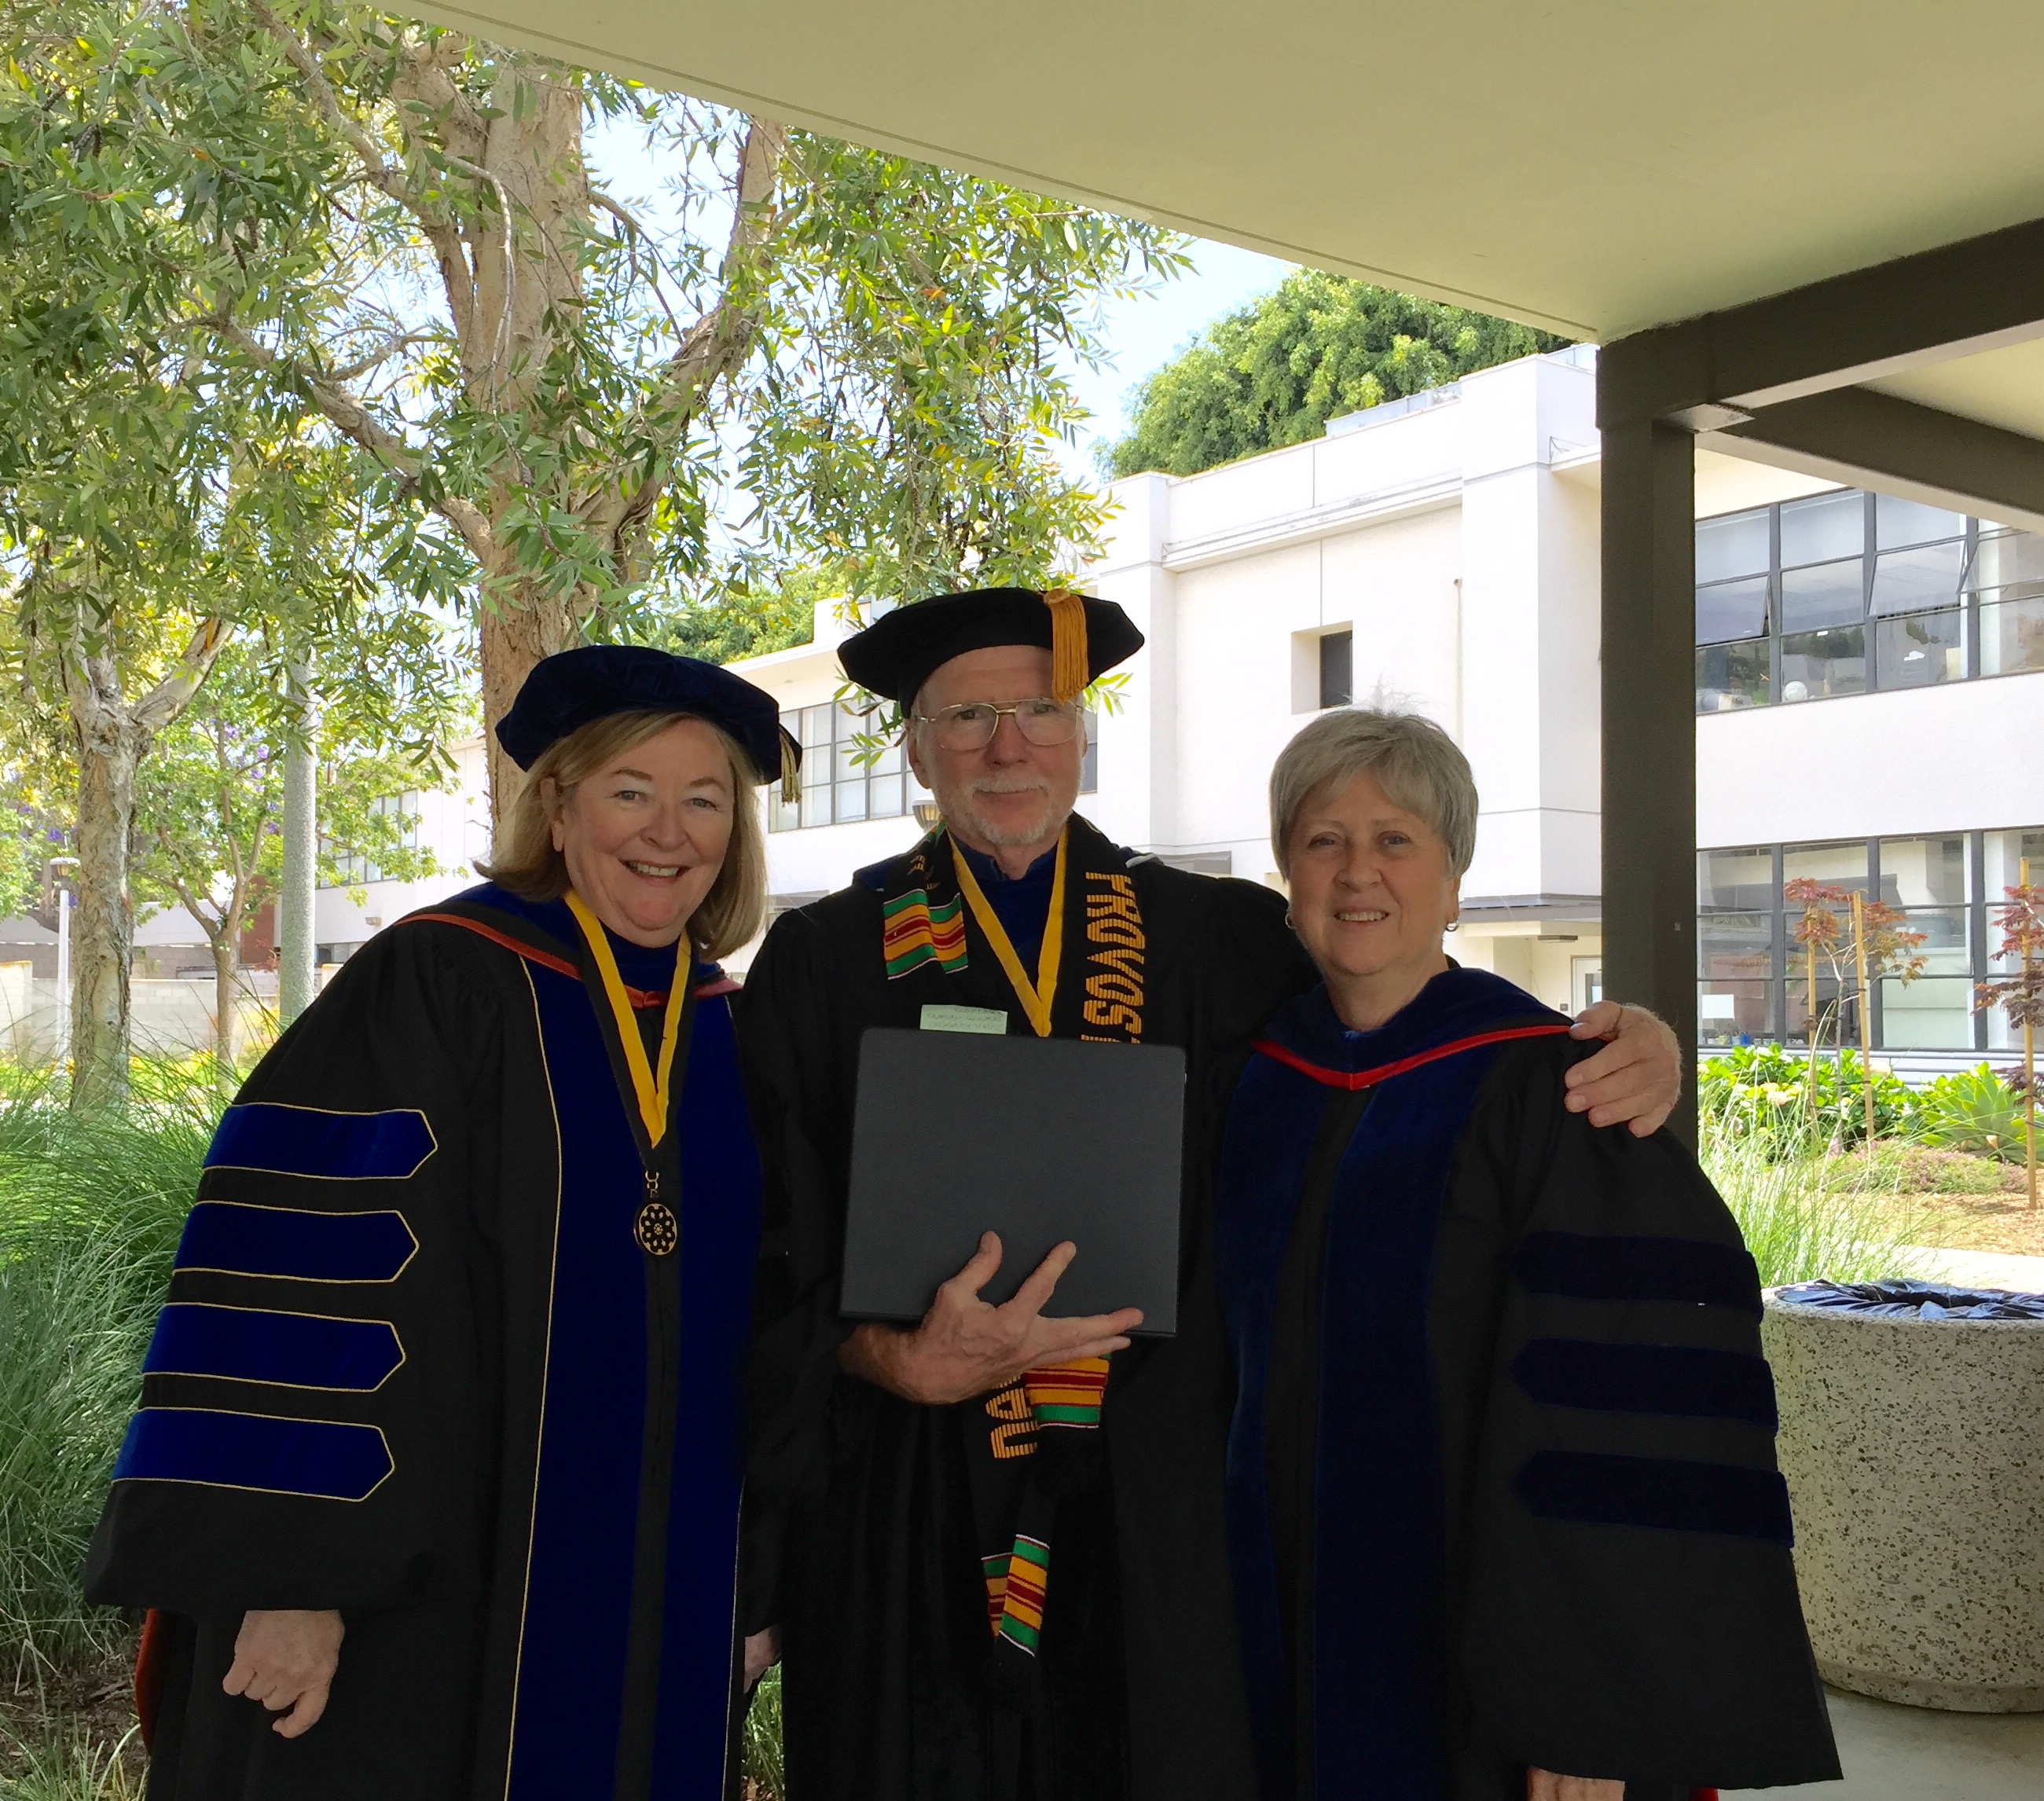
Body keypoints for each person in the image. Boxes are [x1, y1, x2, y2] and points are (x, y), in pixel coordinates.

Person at [736, 587, 1686, 1801]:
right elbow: (758, 1245)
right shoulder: (823, 958)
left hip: (1162, 1507)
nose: (1005, 746)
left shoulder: (1218, 937)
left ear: (1082, 732)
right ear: (917, 748)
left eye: (1037, 709)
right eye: (965, 719)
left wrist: (1610, 1044)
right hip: (909, 1506)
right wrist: (882, 1357)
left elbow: (1389, 1037)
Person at [85, 647, 798, 1799]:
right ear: (557, 809)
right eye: (629, 791)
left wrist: (752, 1586)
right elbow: (303, 1276)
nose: (667, 830)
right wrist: (294, 1580)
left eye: (703, 800)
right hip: (421, 1598)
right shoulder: (440, 978)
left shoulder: (732, 1028)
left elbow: (773, 1327)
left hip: (660, 1601)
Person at [1213, 707, 1840, 1801]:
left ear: (1454, 878)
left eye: (1396, 838)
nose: (1358, 872)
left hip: (1484, 1670)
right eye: (1323, 840)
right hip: (1262, 1638)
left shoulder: (1554, 1091)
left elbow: (1628, 1413)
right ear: (1286, 874)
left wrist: (1588, 1711)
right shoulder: (1256, 1078)